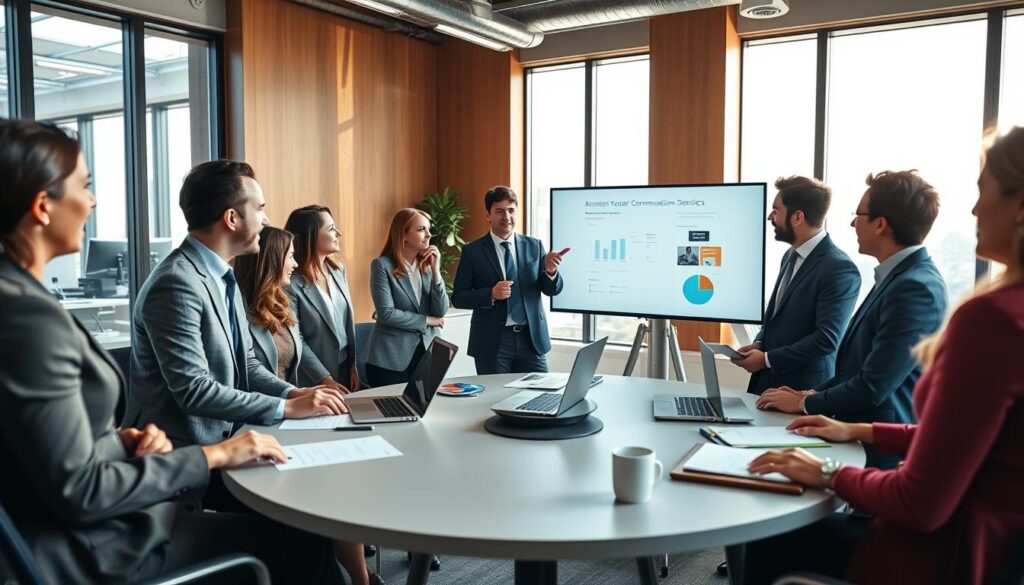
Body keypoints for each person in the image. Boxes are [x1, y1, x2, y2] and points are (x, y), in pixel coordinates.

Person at [0, 119, 343, 585]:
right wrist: (215, 456)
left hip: (127, 495)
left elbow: (41, 446)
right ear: (43, 206)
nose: (94, 201)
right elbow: (76, 488)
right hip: (109, 542)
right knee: (306, 542)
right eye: (84, 186)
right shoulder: (31, 318)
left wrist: (118, 442)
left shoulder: (24, 299)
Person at [742, 126, 1024, 585]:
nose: (973, 209)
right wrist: (853, 427)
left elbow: (921, 501)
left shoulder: (988, 317)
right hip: (985, 549)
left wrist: (827, 471)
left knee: (770, 532)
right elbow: (958, 435)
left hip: (942, 555)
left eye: (982, 192)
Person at [125, 160, 347, 509]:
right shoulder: (176, 283)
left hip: (228, 439)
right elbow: (193, 391)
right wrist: (285, 407)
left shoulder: (220, 277)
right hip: (183, 458)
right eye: (259, 208)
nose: (266, 219)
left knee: (317, 491)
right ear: (231, 219)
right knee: (305, 518)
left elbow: (247, 363)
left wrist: (295, 392)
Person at [757, 170, 948, 468]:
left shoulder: (915, 287)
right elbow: (853, 369)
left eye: (858, 214)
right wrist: (807, 393)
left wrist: (805, 402)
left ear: (881, 224)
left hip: (879, 452)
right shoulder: (894, 277)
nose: (851, 222)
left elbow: (873, 385)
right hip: (854, 436)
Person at [234, 226, 383, 585]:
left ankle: (361, 579)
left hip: (290, 412)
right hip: (265, 416)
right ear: (271, 262)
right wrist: (294, 395)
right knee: (332, 487)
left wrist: (325, 383)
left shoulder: (281, 300)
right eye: (289, 256)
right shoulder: (239, 307)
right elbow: (251, 371)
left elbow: (299, 348)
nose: (296, 262)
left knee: (345, 475)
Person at [733, 176, 861, 396]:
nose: (770, 217)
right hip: (766, 387)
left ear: (798, 217)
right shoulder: (789, 256)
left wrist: (766, 360)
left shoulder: (839, 268)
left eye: (776, 210)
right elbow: (776, 318)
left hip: (801, 391)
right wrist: (760, 343)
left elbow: (826, 339)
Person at [452, 186, 569, 374]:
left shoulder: (534, 245)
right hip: (492, 343)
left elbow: (551, 290)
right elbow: (458, 298)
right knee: (493, 400)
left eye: (511, 210)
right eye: (499, 211)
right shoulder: (472, 252)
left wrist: (550, 271)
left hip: (531, 339)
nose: (506, 216)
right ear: (488, 215)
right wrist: (490, 294)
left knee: (538, 396)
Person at [365, 208, 450, 387]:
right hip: (391, 359)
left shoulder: (427, 267)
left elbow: (441, 311)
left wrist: (436, 271)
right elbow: (386, 313)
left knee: (426, 412)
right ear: (403, 235)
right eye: (421, 229)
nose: (429, 235)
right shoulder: (382, 266)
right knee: (392, 412)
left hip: (429, 353)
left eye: (428, 229)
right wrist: (427, 320)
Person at [285, 205, 360, 391]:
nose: (339, 233)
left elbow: (347, 323)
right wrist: (324, 378)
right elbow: (296, 339)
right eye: (331, 229)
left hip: (345, 368)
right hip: (312, 378)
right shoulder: (291, 282)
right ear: (311, 236)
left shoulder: (338, 269)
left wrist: (353, 364)